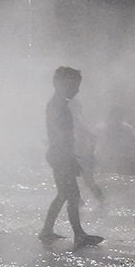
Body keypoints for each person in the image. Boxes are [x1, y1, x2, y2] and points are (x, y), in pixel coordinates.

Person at [42, 66, 102, 245]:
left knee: (63, 194)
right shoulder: (57, 106)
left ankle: (47, 230)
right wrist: (67, 158)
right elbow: (58, 135)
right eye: (72, 85)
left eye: (77, 85)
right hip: (60, 156)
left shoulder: (60, 104)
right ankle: (79, 234)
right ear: (58, 84)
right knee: (73, 195)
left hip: (60, 155)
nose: (77, 89)